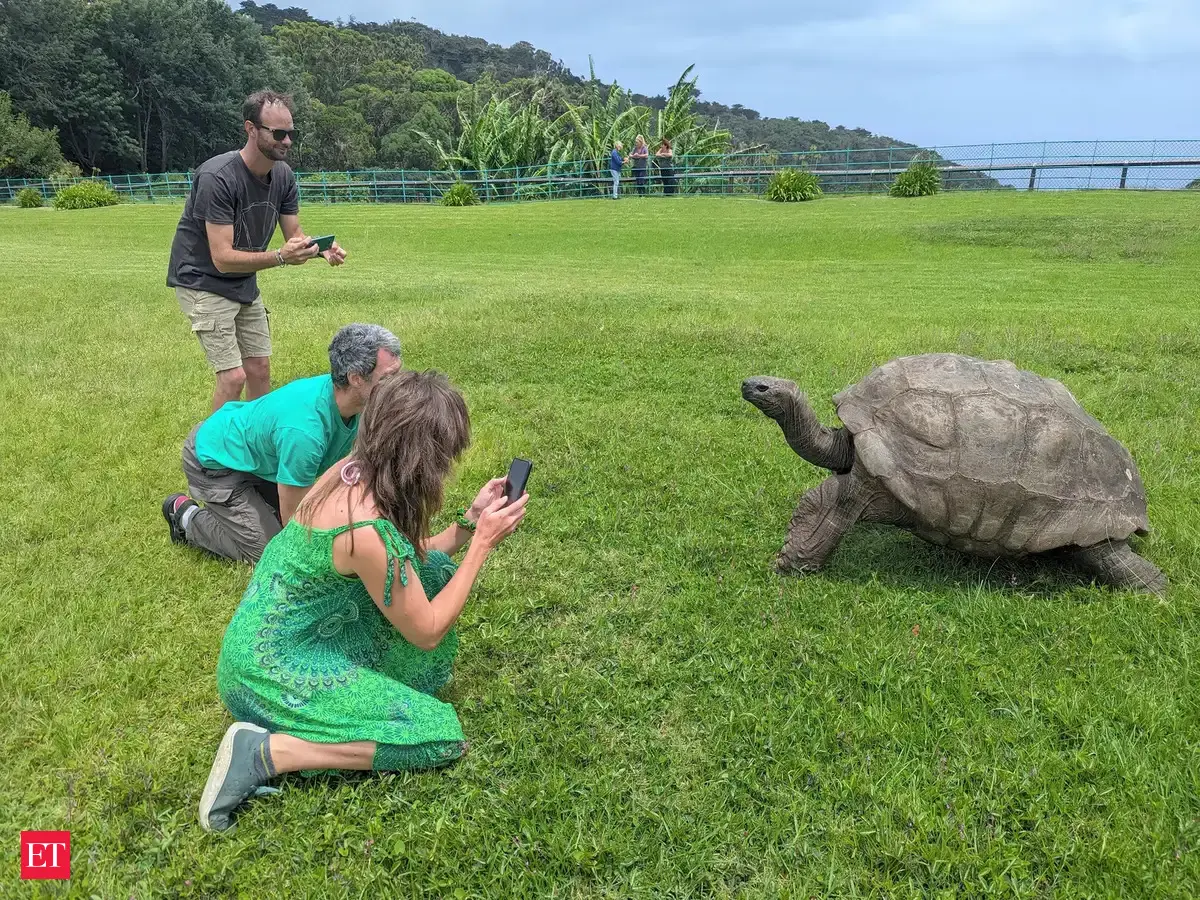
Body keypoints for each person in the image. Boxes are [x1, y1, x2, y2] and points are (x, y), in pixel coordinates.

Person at [196, 369, 529, 832]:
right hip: (269, 673)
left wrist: (469, 521)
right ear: (422, 460)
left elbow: (405, 564)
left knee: (430, 572)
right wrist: (481, 547)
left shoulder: (349, 472)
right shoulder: (367, 532)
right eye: (444, 459)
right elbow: (428, 629)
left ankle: (314, 722)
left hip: (268, 644)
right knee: (434, 734)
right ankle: (269, 752)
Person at [167, 89, 349, 412]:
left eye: (291, 133)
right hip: (202, 279)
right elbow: (222, 258)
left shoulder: (284, 176)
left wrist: (320, 248)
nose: (287, 141)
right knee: (234, 377)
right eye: (278, 133)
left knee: (259, 370)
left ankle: (255, 446)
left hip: (243, 281)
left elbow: (294, 234)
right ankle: (210, 456)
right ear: (251, 129)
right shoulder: (217, 178)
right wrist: (280, 257)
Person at [162, 324, 402, 564]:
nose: (399, 385)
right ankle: (186, 516)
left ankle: (250, 504)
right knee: (271, 552)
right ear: (356, 379)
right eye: (389, 377)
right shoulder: (304, 433)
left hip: (256, 460)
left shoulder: (357, 403)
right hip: (213, 461)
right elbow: (294, 522)